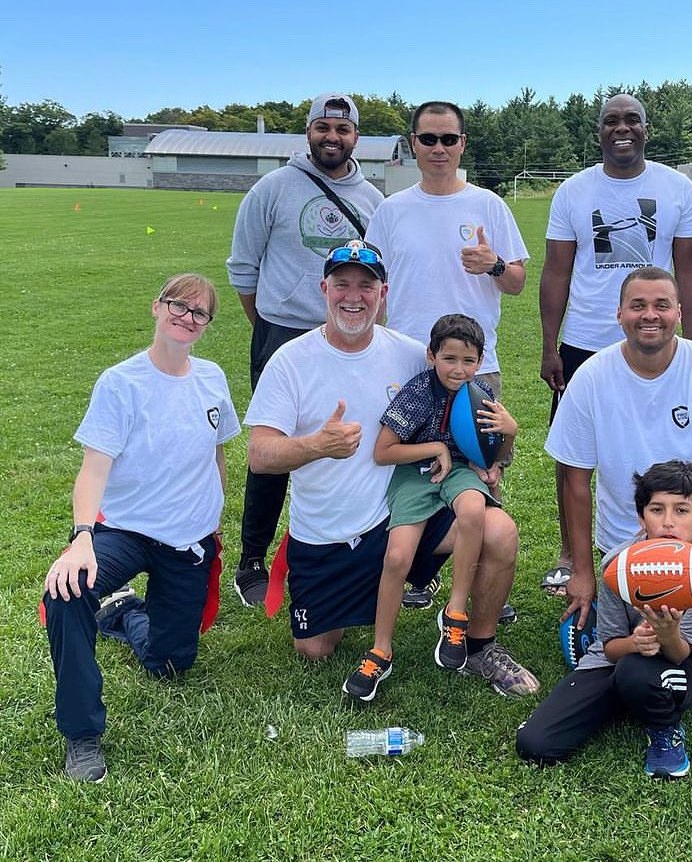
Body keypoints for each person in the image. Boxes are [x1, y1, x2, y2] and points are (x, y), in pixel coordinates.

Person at [244, 240, 538, 699]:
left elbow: (469, 408)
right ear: (324, 288)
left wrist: (492, 453)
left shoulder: (412, 353)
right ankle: (355, 604)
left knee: (497, 529)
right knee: (315, 648)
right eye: (342, 284)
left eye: (367, 285)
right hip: (329, 532)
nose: (354, 296)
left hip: (405, 512)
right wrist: (317, 445)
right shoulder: (290, 361)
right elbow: (259, 455)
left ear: (384, 292)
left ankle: (478, 643)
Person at [43, 274, 240, 782]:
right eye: (179, 305)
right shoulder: (120, 382)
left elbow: (217, 454)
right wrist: (82, 537)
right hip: (125, 532)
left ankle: (125, 610)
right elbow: (93, 469)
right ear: (157, 307)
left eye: (200, 313)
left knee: (170, 665)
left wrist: (213, 521)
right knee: (66, 593)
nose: (187, 317)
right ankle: (82, 735)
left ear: (207, 326)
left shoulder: (212, 377)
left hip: (188, 539)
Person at [545, 267, 692, 713]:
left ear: (680, 312)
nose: (650, 315)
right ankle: (634, 634)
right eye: (638, 305)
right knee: (631, 638)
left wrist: (674, 528)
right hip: (623, 535)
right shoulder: (591, 377)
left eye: (662, 305)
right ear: (619, 313)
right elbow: (575, 480)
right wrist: (582, 570)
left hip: (690, 525)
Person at [539, 93, 692, 596]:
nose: (622, 128)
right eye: (611, 120)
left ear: (647, 130)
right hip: (586, 340)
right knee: (573, 456)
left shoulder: (676, 188)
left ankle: (670, 540)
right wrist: (551, 344)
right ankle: (572, 554)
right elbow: (556, 270)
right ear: (599, 132)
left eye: (632, 119)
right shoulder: (573, 191)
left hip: (657, 338)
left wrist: (691, 339)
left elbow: (691, 268)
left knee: (666, 445)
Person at [366, 100, 527, 612]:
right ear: (412, 143)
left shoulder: (488, 205)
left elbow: (519, 281)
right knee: (412, 473)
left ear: (462, 144)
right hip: (409, 363)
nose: (439, 149)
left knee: (483, 472)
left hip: (477, 368)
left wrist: (495, 263)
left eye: (449, 139)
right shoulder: (391, 210)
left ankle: (484, 584)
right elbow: (374, 287)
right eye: (428, 139)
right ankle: (414, 569)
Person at [226, 93, 384, 608]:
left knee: (348, 442)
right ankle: (253, 558)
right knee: (273, 451)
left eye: (342, 129)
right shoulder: (272, 188)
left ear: (355, 136)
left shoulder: (373, 201)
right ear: (308, 132)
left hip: (351, 339)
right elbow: (244, 268)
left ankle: (345, 546)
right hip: (281, 333)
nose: (332, 137)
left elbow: (380, 275)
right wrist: (271, 323)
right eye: (322, 127)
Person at [516, 461, 692, 778]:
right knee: (535, 744)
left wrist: (668, 635)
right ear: (641, 516)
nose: (668, 522)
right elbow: (609, 648)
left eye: (682, 511)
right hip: (620, 658)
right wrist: (635, 642)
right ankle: (623, 698)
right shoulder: (617, 564)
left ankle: (665, 734)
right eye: (657, 510)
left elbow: (690, 655)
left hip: (682, 663)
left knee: (636, 672)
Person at [342, 314, 517, 693]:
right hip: (414, 473)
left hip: (459, 472)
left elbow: (492, 456)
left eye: (468, 361)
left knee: (474, 510)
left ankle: (455, 613)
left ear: (481, 360)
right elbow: (383, 451)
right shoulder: (419, 392)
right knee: (397, 558)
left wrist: (508, 434)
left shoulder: (482, 394)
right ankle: (380, 651)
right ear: (431, 356)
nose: (458, 369)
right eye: (449, 358)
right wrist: (436, 447)